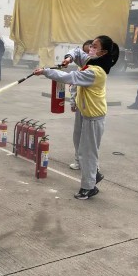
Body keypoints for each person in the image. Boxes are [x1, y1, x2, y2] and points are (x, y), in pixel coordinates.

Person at [34, 35, 119, 200]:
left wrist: (45, 71)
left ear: (103, 52)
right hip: (86, 113)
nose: (90, 49)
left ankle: (88, 187)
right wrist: (68, 58)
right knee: (82, 147)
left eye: (94, 46)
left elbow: (68, 77)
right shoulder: (92, 61)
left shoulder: (96, 71)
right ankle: (95, 174)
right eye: (91, 45)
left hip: (94, 117)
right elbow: (77, 52)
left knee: (89, 153)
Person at [64, 39, 93, 170]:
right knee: (78, 135)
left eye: (89, 51)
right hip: (80, 106)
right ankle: (78, 160)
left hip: (92, 109)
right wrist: (73, 101)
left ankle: (92, 164)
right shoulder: (80, 67)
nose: (87, 54)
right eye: (85, 51)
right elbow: (74, 86)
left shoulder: (96, 69)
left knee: (90, 138)